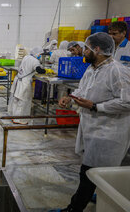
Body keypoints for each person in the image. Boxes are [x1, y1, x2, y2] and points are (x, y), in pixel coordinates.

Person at [53, 32, 130, 212]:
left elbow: (127, 101)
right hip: (91, 128)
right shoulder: (92, 68)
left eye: (86, 49)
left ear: (97, 49)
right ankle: (100, 193)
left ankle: (74, 208)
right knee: (94, 171)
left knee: (87, 173)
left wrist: (96, 107)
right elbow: (83, 90)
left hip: (108, 133)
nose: (82, 52)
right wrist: (70, 99)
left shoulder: (117, 71)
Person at [7, 47, 46, 124]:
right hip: (24, 82)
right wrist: (44, 70)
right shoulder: (35, 61)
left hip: (18, 79)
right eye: (40, 54)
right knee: (23, 101)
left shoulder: (26, 57)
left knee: (16, 99)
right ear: (37, 54)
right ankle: (20, 119)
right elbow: (39, 70)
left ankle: (13, 117)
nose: (40, 56)